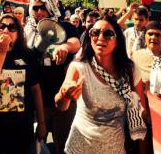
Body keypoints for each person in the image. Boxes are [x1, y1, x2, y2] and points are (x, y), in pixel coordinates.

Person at [55, 16, 147, 154]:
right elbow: (61, 106)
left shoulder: (130, 70)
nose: (100, 37)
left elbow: (142, 112)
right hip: (79, 148)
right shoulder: (79, 67)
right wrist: (65, 95)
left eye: (108, 34)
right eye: (95, 33)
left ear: (117, 40)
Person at [0, 14, 46, 154]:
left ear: (18, 33)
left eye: (12, 27)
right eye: (1, 26)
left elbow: (35, 89)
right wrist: (1, 52)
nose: (6, 30)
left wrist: (42, 123)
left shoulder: (28, 55)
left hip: (20, 133)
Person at [24, 0, 80, 154]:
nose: (39, 11)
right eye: (35, 8)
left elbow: (76, 42)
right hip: (35, 99)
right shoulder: (25, 31)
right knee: (33, 146)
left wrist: (65, 47)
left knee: (64, 145)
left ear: (50, 7)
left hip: (61, 100)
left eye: (43, 7)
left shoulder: (65, 27)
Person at [132, 21, 161, 104]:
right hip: (144, 106)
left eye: (158, 34)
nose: (154, 37)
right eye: (150, 34)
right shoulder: (137, 56)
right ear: (144, 37)